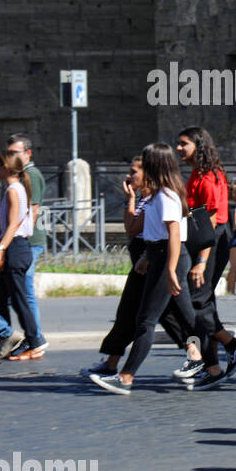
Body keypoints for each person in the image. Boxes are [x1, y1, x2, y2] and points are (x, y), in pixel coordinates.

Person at [89, 143, 197, 394]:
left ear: (155, 165)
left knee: (148, 320)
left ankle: (126, 377)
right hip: (158, 256)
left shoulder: (168, 195)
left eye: (146, 163)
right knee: (175, 318)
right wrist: (148, 256)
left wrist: (170, 269)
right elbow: (149, 232)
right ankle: (203, 358)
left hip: (169, 259)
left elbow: (173, 234)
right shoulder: (157, 196)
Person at [168, 127, 236, 390]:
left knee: (197, 301)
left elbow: (210, 221)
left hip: (210, 241)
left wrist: (201, 261)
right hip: (200, 239)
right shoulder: (197, 174)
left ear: (198, 146)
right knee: (202, 301)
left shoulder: (210, 177)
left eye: (184, 144)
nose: (179, 148)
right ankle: (214, 357)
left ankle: (225, 348)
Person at [81, 156, 150, 376]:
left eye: (133, 172)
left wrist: (129, 200)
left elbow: (132, 229)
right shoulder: (141, 198)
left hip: (151, 265)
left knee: (176, 317)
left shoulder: (152, 199)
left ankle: (205, 354)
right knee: (128, 313)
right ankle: (111, 362)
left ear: (147, 175)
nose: (128, 176)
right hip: (141, 264)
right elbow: (130, 227)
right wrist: (129, 199)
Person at [0, 150, 47, 361]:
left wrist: (0, 249)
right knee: (0, 301)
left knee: (19, 300)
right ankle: (8, 337)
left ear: (6, 167)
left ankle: (34, 340)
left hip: (15, 248)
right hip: (16, 247)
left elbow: (14, 224)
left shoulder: (13, 190)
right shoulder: (15, 188)